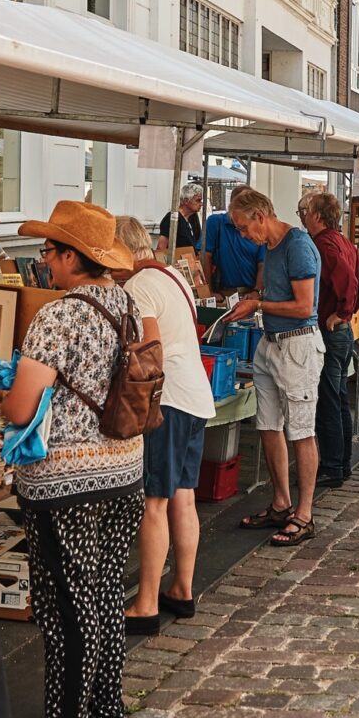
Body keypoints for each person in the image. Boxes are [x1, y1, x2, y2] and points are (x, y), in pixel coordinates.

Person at [0, 201, 153, 718]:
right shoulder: (127, 305)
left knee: (66, 608)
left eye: (49, 253)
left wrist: (3, 393)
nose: (44, 263)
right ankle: (106, 710)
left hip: (66, 482)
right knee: (107, 591)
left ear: (70, 257)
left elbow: (21, 404)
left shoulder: (58, 317)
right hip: (124, 468)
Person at [112, 217, 212, 636]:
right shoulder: (170, 273)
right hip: (194, 395)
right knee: (183, 497)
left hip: (166, 400)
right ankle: (182, 589)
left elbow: (147, 348)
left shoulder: (138, 286)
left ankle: (147, 602)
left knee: (154, 500)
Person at [225, 187, 326, 545]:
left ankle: (305, 513)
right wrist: (255, 300)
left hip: (297, 343)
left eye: (241, 227)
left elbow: (303, 306)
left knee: (301, 430)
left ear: (259, 217)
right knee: (268, 425)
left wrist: (258, 305)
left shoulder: (297, 245)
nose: (241, 234)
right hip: (271, 343)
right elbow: (274, 294)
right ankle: (282, 502)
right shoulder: (270, 247)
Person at [298, 192, 359, 488]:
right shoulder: (343, 242)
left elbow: (353, 282)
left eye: (303, 211)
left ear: (317, 215)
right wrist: (349, 311)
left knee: (328, 399)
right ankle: (340, 462)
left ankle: (331, 465)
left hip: (330, 332)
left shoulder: (325, 244)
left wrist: (342, 312)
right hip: (339, 332)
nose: (302, 216)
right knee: (337, 397)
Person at [201, 199, 263, 296]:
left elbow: (263, 263)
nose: (243, 235)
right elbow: (204, 255)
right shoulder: (216, 222)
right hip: (223, 292)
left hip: (250, 292)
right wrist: (208, 291)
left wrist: (256, 292)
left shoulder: (257, 230)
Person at [156, 181, 204, 258]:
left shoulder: (193, 217)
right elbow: (161, 247)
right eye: (198, 200)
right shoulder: (171, 218)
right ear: (186, 200)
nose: (201, 204)